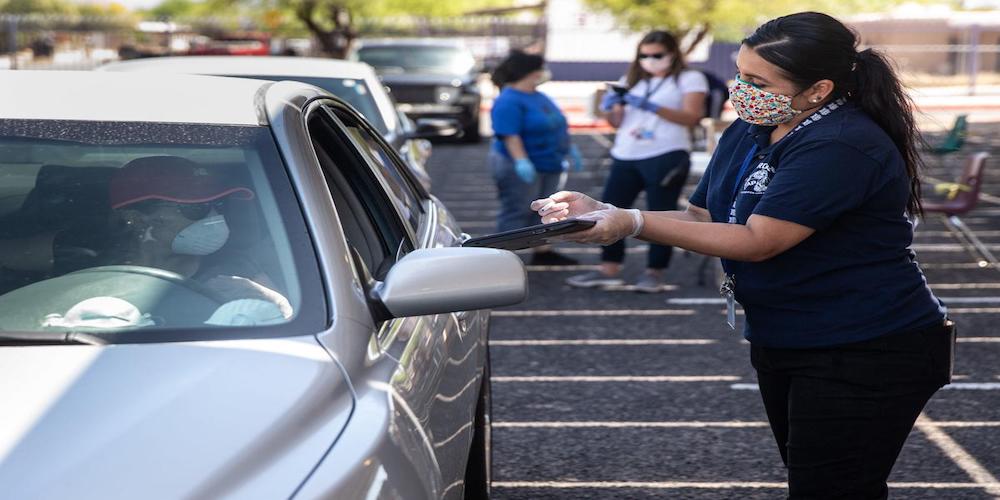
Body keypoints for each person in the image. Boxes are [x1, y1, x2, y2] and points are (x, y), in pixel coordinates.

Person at [531, 12, 954, 499]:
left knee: (833, 488)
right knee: (818, 480)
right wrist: (609, 209)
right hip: (788, 334)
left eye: (756, 80)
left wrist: (634, 224)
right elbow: (704, 217)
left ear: (818, 90)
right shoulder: (751, 127)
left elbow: (759, 239)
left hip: (865, 344)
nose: (740, 89)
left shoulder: (842, 144)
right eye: (739, 73)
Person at [568, 30, 707, 292]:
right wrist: (612, 107)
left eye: (657, 55)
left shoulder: (689, 78)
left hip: (666, 153)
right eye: (644, 55)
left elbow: (691, 117)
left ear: (673, 54)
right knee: (609, 209)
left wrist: (649, 105)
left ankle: (655, 272)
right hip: (626, 152)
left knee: (662, 212)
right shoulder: (632, 79)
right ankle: (608, 268)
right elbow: (615, 123)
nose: (650, 60)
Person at [105, 155, 292, 324]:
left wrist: (274, 303)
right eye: (196, 209)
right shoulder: (100, 279)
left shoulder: (238, 268)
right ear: (136, 219)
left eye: (219, 204)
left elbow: (284, 323)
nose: (215, 217)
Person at [489, 49, 583, 265]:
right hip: (520, 164)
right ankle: (500, 260)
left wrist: (569, 148)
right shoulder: (509, 99)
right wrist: (522, 161)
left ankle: (543, 251)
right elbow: (509, 135)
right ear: (530, 72)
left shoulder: (538, 96)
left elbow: (556, 123)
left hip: (549, 163)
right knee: (517, 210)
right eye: (541, 68)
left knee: (544, 210)